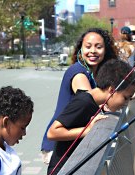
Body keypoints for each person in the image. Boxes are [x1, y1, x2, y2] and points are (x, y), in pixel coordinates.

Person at [46, 58, 135, 175]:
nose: (126, 103)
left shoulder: (94, 102)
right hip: (60, 173)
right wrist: (88, 130)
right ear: (112, 90)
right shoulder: (83, 102)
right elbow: (52, 133)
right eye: (125, 98)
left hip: (70, 170)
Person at [40, 28, 118, 165]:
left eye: (98, 47)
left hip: (70, 139)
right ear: (80, 49)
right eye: (88, 46)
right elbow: (88, 97)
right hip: (58, 143)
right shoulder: (78, 72)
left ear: (106, 51)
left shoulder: (95, 73)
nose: (93, 51)